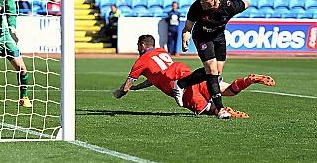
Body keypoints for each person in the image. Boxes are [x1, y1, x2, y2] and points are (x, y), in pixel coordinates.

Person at [113, 35, 275, 118]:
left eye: (138, 46)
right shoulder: (161, 51)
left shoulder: (141, 61)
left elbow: (125, 88)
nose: (137, 49)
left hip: (178, 86)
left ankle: (225, 111)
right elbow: (155, 78)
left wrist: (118, 93)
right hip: (186, 74)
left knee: (207, 109)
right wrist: (138, 87)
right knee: (225, 89)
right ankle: (248, 80)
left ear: (142, 45)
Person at [172, 0, 249, 119]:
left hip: (219, 38)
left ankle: (181, 83)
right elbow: (188, 28)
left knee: (216, 72)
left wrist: (247, 3)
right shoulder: (196, 6)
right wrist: (185, 39)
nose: (202, 1)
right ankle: (220, 109)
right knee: (212, 71)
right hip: (201, 37)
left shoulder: (229, 6)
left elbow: (246, 3)